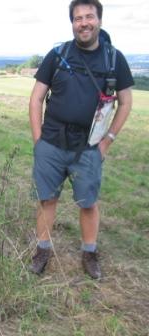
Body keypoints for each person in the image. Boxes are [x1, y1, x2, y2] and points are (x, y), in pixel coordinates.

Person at [28, 0, 134, 279]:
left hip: (89, 147)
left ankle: (89, 253)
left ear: (99, 20)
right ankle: (42, 251)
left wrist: (108, 140)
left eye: (89, 16)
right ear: (72, 23)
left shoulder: (114, 59)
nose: (83, 22)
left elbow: (125, 102)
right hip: (50, 143)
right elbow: (37, 98)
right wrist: (38, 140)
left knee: (88, 203)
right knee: (46, 200)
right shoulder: (57, 54)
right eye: (78, 18)